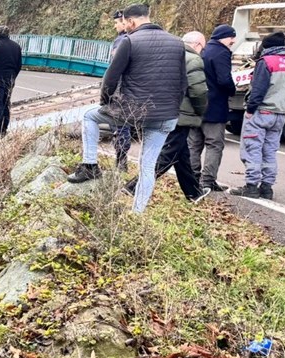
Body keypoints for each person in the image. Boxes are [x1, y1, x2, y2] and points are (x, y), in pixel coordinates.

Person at [67, 4, 185, 213]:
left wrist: (106, 103)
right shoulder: (177, 43)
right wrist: (173, 109)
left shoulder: (130, 41)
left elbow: (110, 79)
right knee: (147, 166)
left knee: (89, 117)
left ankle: (90, 166)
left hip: (133, 111)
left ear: (130, 21)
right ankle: (137, 212)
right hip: (166, 115)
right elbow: (183, 83)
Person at [125, 31, 209, 201]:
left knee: (181, 154)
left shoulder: (167, 55)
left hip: (160, 109)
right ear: (197, 45)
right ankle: (134, 186)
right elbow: (198, 91)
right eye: (203, 48)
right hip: (181, 114)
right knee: (167, 155)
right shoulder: (193, 59)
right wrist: (201, 111)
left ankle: (193, 193)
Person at [231, 32, 285, 199]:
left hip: (262, 112)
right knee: (270, 151)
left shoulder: (266, 62)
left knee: (253, 148)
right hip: (280, 114)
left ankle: (251, 186)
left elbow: (258, 90)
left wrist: (249, 110)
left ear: (267, 46)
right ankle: (267, 188)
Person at [194, 24, 237, 192]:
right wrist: (233, 90)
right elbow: (224, 80)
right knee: (214, 144)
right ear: (225, 37)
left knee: (194, 143)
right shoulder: (221, 53)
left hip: (197, 105)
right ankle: (207, 180)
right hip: (215, 106)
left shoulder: (203, 51)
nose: (233, 41)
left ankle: (192, 176)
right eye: (232, 37)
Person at [110, 10, 135, 172]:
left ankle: (121, 162)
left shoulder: (123, 41)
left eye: (117, 23)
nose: (115, 26)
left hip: (120, 91)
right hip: (128, 91)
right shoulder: (127, 39)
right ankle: (121, 161)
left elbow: (115, 68)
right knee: (123, 126)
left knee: (120, 127)